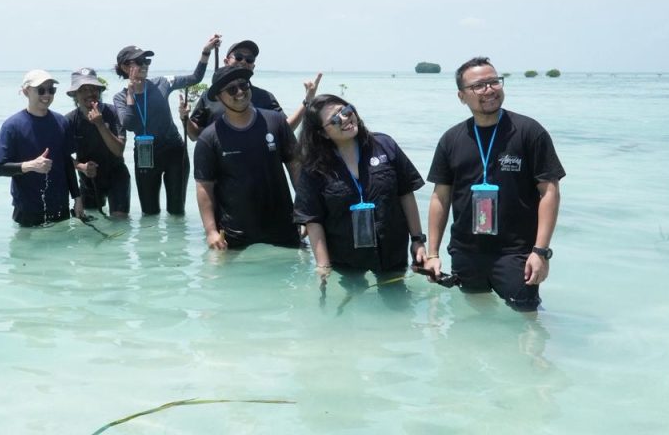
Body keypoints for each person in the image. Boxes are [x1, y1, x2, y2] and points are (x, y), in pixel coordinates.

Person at [421, 57, 565, 312]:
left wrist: (541, 252)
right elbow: (440, 198)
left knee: (530, 323)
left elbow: (549, 192)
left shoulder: (529, 132)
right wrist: (432, 254)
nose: (489, 90)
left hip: (517, 254)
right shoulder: (451, 139)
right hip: (466, 252)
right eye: (479, 85)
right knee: (477, 322)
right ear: (461, 96)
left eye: (494, 82)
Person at [294, 95, 427, 280]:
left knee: (396, 300)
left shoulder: (384, 145)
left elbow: (406, 192)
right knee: (353, 303)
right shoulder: (315, 167)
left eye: (346, 111)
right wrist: (323, 266)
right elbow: (313, 219)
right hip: (345, 256)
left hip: (391, 250)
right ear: (323, 133)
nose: (345, 118)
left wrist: (418, 240)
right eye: (334, 119)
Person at [194, 65, 300, 249]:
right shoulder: (209, 138)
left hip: (283, 228)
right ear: (219, 97)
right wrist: (211, 231)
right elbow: (204, 187)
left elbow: (296, 167)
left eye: (244, 85)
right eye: (232, 89)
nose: (240, 92)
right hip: (235, 235)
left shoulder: (276, 121)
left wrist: (306, 213)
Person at [113, 35, 220, 215]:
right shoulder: (120, 97)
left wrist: (206, 52)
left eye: (147, 60)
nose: (145, 64)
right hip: (145, 154)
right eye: (139, 61)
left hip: (174, 151)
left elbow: (195, 78)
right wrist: (131, 92)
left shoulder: (162, 83)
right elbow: (129, 124)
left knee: (177, 212)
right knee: (149, 213)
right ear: (125, 67)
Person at [185, 39, 322, 141]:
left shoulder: (265, 97)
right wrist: (184, 118)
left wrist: (307, 102)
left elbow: (285, 129)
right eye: (238, 57)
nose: (244, 61)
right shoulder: (210, 96)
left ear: (253, 67)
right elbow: (194, 136)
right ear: (226, 62)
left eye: (249, 59)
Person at [0, 69, 81, 227]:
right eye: (41, 90)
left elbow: (67, 164)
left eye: (51, 90)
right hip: (27, 209)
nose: (46, 95)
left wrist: (77, 198)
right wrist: (30, 166)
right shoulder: (12, 126)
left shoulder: (62, 123)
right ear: (27, 91)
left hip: (60, 207)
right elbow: (0, 168)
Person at [64, 67, 131, 219]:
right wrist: (81, 167)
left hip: (116, 175)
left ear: (100, 91)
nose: (89, 93)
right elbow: (62, 155)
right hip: (88, 178)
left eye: (93, 88)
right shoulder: (68, 121)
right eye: (83, 89)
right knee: (90, 225)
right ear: (75, 94)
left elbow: (118, 151)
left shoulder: (114, 113)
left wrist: (100, 124)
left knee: (119, 223)